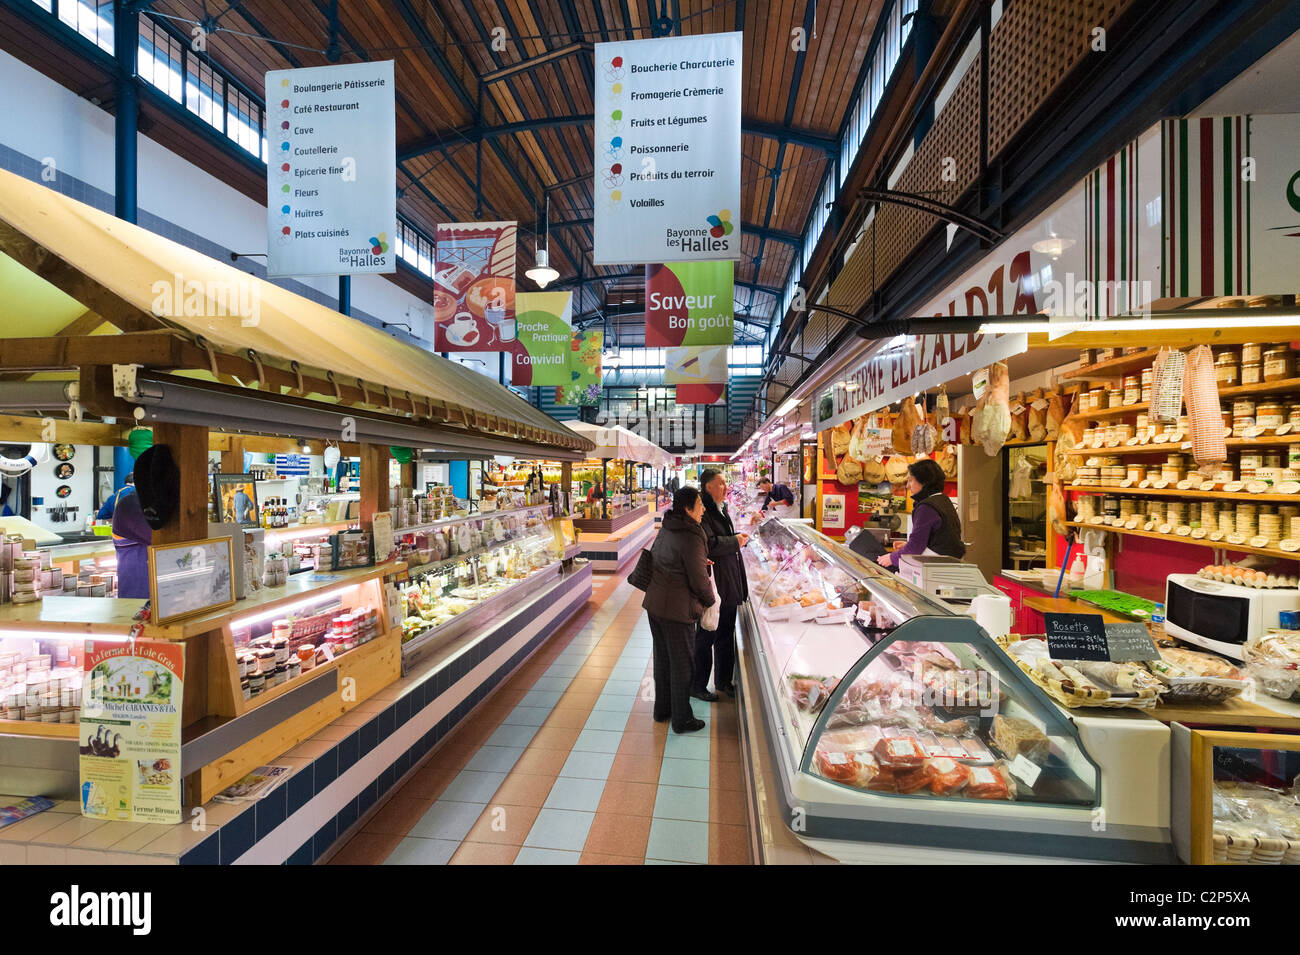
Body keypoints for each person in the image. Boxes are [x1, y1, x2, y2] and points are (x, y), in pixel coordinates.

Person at [642, 486, 715, 734]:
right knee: (683, 664)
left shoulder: (668, 526)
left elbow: (664, 558)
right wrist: (711, 599)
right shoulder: (692, 535)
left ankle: (662, 710)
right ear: (687, 508)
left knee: (663, 660)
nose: (703, 509)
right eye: (699, 504)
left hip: (656, 605)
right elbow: (698, 581)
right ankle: (682, 720)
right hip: (677, 610)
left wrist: (696, 561)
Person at [693, 468, 750, 700]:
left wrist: (738, 536)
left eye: (726, 484)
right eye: (721, 484)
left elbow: (722, 539)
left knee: (725, 633)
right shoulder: (704, 511)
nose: (725, 488)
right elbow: (710, 544)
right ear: (708, 486)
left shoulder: (721, 508)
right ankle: (697, 686)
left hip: (726, 580)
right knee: (707, 634)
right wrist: (735, 541)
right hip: (714, 582)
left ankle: (723, 681)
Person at [877, 458, 966, 569]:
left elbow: (915, 547)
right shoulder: (943, 500)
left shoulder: (926, 507)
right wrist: (907, 546)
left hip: (937, 569)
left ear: (924, 482)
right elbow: (940, 539)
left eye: (911, 480)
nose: (908, 486)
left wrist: (891, 558)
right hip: (952, 564)